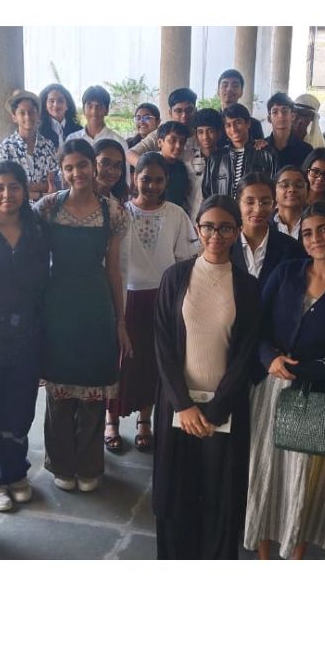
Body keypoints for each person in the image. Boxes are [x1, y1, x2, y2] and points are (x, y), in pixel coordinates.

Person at [244, 202, 325, 559]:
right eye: (307, 233)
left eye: (324, 229)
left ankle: (295, 557)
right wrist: (270, 358)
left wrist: (298, 370)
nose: (315, 239)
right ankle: (263, 555)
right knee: (265, 473)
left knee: (303, 480)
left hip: (315, 395)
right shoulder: (287, 272)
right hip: (269, 388)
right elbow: (256, 324)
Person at [152, 195, 261, 559]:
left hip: (224, 410)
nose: (216, 235)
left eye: (225, 227)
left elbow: (245, 353)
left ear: (238, 231)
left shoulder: (247, 286)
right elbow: (163, 346)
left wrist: (216, 410)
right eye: (208, 227)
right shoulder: (175, 277)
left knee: (221, 496)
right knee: (176, 494)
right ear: (197, 229)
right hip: (178, 407)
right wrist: (183, 405)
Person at [35, 139, 131, 493]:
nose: (77, 173)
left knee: (93, 388)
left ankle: (90, 464)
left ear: (93, 166)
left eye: (82, 165)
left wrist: (120, 321)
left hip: (96, 304)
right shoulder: (47, 207)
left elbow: (115, 270)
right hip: (57, 304)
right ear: (61, 171)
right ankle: (61, 463)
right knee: (59, 390)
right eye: (69, 167)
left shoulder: (114, 211)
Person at [0, 161, 50, 513]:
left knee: (20, 405)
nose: (7, 194)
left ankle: (16, 472)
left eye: (14, 187)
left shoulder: (38, 230)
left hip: (26, 334)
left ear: (25, 190)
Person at [107, 152, 200, 454]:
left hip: (161, 298)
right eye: (145, 178)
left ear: (166, 182)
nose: (151, 185)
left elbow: (186, 258)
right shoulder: (120, 212)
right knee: (120, 361)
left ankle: (144, 420)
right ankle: (111, 421)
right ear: (135, 178)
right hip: (125, 297)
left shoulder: (176, 214)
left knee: (151, 361)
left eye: (158, 180)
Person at [230, 173, 307, 289]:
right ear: (238, 204)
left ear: (274, 204)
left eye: (265, 202)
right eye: (250, 202)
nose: (258, 209)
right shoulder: (226, 246)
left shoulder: (292, 248)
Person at [0, 89, 60, 202]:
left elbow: (51, 184)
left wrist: (24, 186)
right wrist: (39, 192)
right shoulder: (5, 148)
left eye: (31, 111)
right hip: (16, 208)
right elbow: (5, 187)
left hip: (45, 208)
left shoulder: (48, 146)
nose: (28, 116)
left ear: (37, 114)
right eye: (22, 113)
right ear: (14, 117)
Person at [203, 104, 275, 200]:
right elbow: (207, 193)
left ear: (248, 123)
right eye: (228, 125)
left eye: (237, 123)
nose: (233, 129)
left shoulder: (267, 154)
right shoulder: (216, 158)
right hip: (224, 209)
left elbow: (275, 188)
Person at [64, 85, 130, 163]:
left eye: (99, 106)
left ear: (107, 110)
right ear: (83, 110)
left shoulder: (119, 142)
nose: (94, 111)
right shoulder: (72, 139)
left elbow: (125, 170)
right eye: (90, 106)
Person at [265, 93, 313, 171]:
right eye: (275, 112)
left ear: (293, 116)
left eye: (285, 111)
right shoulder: (262, 148)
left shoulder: (305, 149)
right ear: (269, 118)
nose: (280, 116)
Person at [190, 107, 223, 215]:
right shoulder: (187, 158)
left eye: (211, 131)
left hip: (219, 215)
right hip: (192, 216)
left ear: (219, 133)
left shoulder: (226, 159)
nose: (205, 137)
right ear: (195, 134)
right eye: (200, 132)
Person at [155, 121, 192, 211]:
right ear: (160, 142)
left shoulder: (181, 167)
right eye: (172, 141)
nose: (178, 146)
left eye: (182, 142)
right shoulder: (151, 166)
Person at [217, 69, 264, 139]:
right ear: (218, 91)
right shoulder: (212, 122)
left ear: (241, 92)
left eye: (235, 86)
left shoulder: (253, 124)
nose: (229, 89)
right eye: (225, 85)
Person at [38, 83, 83, 153]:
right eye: (51, 101)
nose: (56, 105)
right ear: (45, 105)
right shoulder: (39, 131)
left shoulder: (78, 130)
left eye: (60, 101)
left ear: (67, 105)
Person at [272, 165, 308, 239]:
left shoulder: (315, 221)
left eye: (299, 185)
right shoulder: (264, 223)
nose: (292, 189)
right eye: (285, 185)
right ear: (273, 191)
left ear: (307, 190)